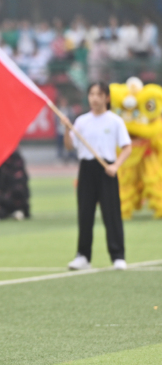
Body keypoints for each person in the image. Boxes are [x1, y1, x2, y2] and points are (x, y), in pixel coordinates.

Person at [63, 82, 132, 271]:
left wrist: (116, 165)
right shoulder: (81, 121)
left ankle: (118, 256)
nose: (94, 98)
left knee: (112, 214)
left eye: (98, 94)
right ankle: (83, 256)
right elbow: (69, 146)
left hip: (106, 169)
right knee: (85, 214)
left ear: (106, 98)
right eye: (91, 94)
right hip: (86, 169)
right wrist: (67, 129)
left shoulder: (115, 121)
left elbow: (127, 147)